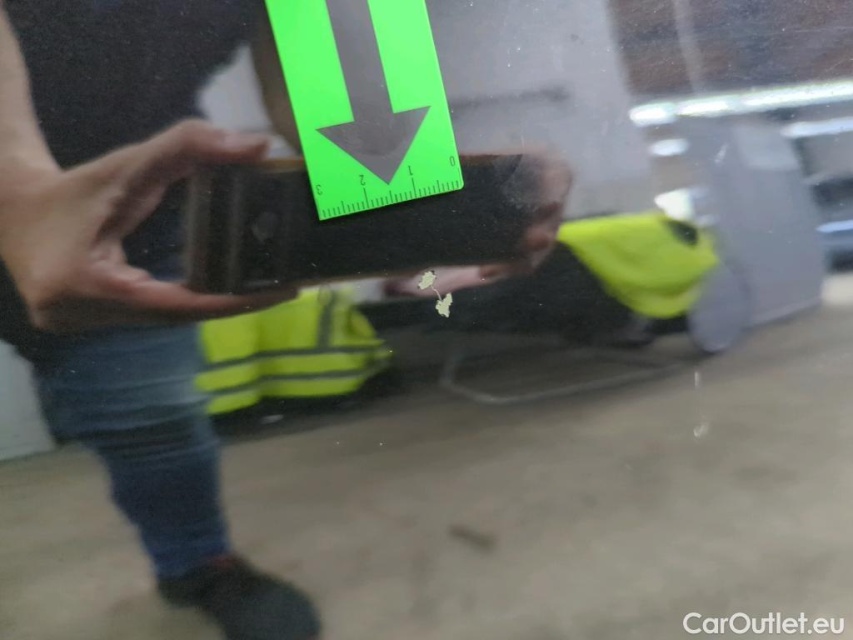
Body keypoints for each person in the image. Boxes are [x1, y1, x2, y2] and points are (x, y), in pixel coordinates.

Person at [0, 3, 568, 639]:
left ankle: (196, 563)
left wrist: (436, 206)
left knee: (148, 409)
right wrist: (18, 192)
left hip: (136, 192)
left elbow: (364, 119)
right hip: (56, 176)